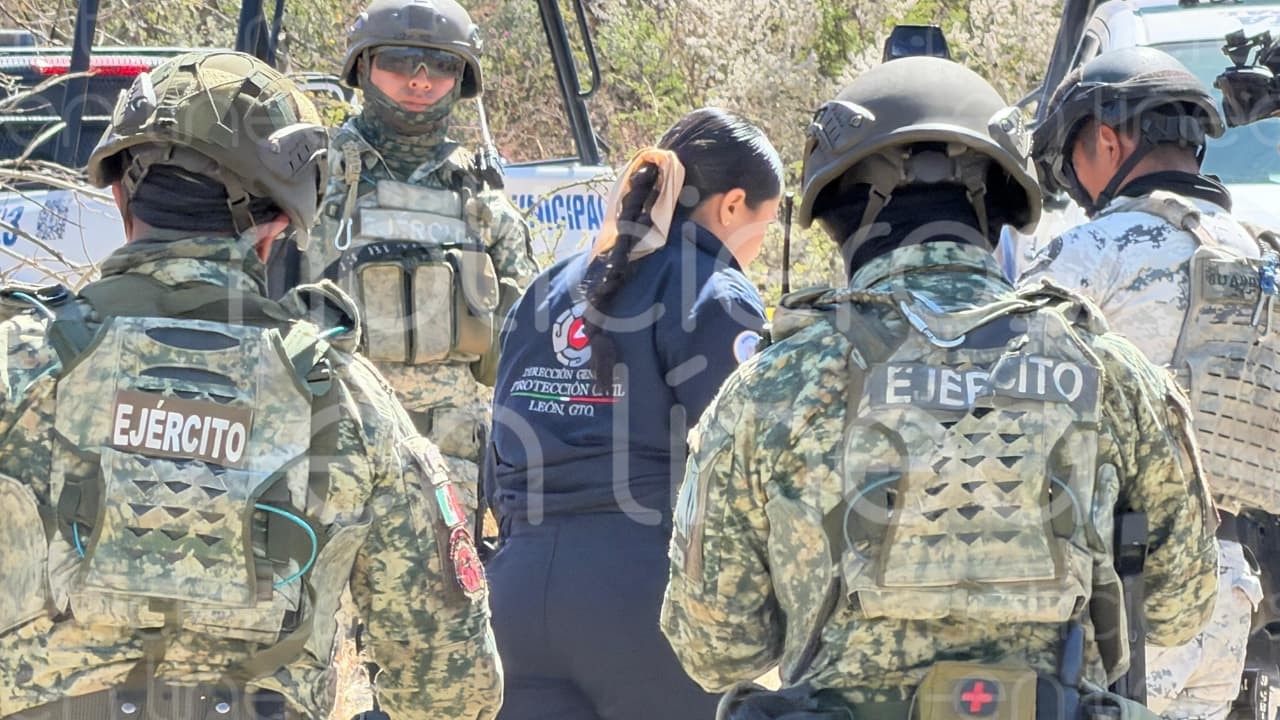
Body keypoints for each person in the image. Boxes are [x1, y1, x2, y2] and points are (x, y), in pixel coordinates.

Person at [661, 56, 1219, 720]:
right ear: (1003, 205)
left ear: (838, 214)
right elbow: (1180, 606)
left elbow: (715, 649)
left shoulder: (770, 387)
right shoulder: (1113, 373)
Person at [0, 51, 500, 720]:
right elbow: (454, 689)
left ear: (121, 197)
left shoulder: (17, 362)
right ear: (276, 230)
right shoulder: (350, 399)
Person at [483, 107, 783, 720]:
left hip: (513, 598)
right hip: (645, 604)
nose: (759, 245)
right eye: (765, 225)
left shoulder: (548, 286)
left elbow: (497, 450)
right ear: (731, 207)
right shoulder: (714, 292)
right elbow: (754, 465)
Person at [1023, 46, 1276, 720]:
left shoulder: (1091, 250)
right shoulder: (1259, 255)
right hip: (1229, 593)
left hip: (1126, 600)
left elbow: (1002, 409)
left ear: (1107, 141)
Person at [292, 0, 538, 515]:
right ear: (363, 68)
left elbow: (521, 346)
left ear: (461, 77)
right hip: (331, 441)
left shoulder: (483, 202)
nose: (420, 81)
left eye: (442, 65)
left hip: (451, 466)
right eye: (400, 62)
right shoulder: (312, 182)